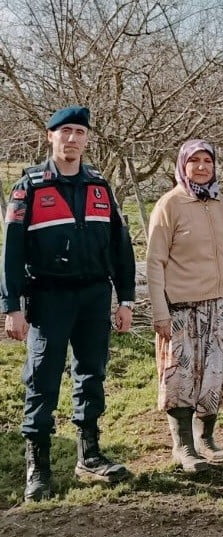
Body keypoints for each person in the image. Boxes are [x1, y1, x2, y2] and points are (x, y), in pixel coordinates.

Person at [0, 106, 136, 501]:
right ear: (50, 136)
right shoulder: (30, 187)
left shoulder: (100, 186)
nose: (72, 138)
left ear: (87, 139)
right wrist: (12, 307)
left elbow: (120, 248)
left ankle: (89, 455)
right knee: (42, 379)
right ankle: (37, 468)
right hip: (48, 297)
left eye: (79, 131)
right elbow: (11, 253)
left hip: (94, 296)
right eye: (65, 131)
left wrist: (125, 299)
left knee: (91, 374)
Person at [146, 139, 223, 473]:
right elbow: (154, 262)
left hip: (219, 305)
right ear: (182, 165)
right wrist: (160, 311)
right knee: (181, 379)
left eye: (208, 161)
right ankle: (183, 446)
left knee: (215, 375)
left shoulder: (219, 205)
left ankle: (207, 439)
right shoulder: (169, 205)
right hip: (182, 308)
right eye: (194, 161)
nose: (201, 167)